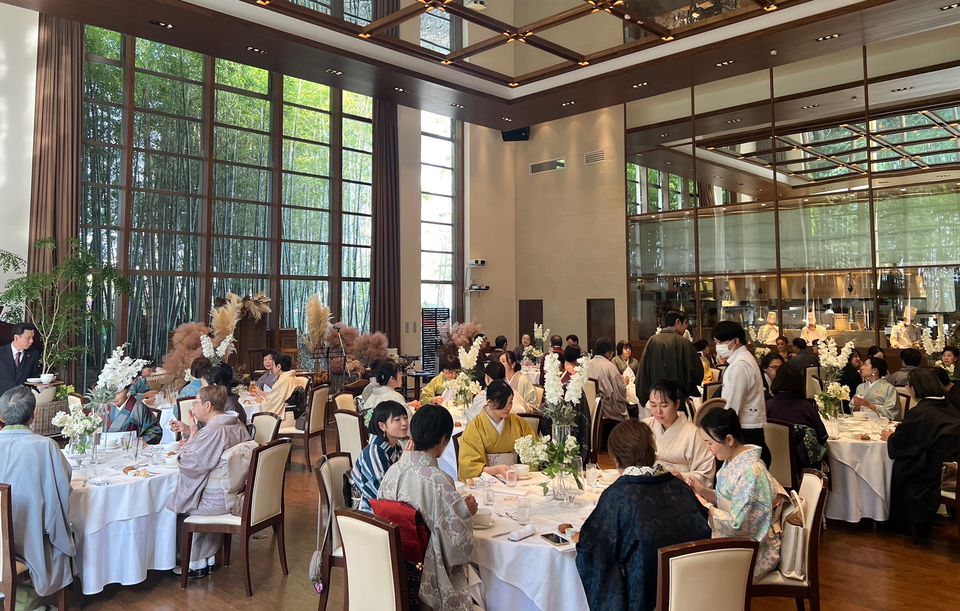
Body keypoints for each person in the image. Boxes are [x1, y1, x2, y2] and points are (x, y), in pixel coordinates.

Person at [576, 420, 710, 611]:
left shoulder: (618, 496)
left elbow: (593, 549)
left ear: (616, 459)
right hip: (696, 594)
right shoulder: (680, 487)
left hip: (647, 600)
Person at [378, 405, 478, 611]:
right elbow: (458, 544)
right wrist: (465, 511)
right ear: (443, 440)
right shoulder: (438, 480)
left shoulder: (393, 471)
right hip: (425, 573)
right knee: (480, 585)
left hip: (392, 565)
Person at [692, 408, 788, 579]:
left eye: (710, 443)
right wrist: (702, 491)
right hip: (739, 542)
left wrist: (707, 508)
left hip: (753, 552)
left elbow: (738, 525)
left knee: (691, 564)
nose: (708, 449)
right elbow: (728, 499)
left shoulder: (752, 472)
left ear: (729, 440)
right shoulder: (733, 460)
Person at [168, 384, 254, 577]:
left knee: (171, 506)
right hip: (234, 492)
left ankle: (191, 563)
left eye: (196, 402)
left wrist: (192, 433)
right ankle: (207, 559)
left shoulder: (214, 430)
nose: (193, 407)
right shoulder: (235, 423)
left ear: (208, 406)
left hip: (215, 500)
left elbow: (189, 462)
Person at [0, 387, 75, 608]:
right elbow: (62, 488)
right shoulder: (46, 447)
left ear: (1, 416)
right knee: (69, 532)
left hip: (0, 540)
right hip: (30, 540)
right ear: (34, 414)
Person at [882, 368, 960, 541]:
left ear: (917, 387)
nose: (907, 388)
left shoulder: (922, 412)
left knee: (900, 466)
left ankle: (902, 524)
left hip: (931, 474)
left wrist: (890, 437)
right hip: (950, 467)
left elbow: (902, 443)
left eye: (909, 385)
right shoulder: (948, 405)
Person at [713, 321, 770, 466]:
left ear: (736, 341)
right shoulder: (744, 359)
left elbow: (731, 408)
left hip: (745, 431)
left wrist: (719, 434)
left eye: (720, 342)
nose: (717, 346)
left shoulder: (739, 366)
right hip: (750, 429)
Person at [641, 380, 715, 486]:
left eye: (664, 405)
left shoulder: (693, 433)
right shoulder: (646, 426)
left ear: (677, 404)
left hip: (679, 487)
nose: (658, 411)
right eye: (653, 405)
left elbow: (705, 473)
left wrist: (682, 477)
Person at [457, 379, 534, 480]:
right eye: (503, 404)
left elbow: (534, 451)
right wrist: (496, 470)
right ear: (489, 402)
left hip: (516, 478)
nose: (508, 407)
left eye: (510, 402)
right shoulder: (474, 428)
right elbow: (469, 466)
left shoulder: (519, 423)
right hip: (487, 481)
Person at [765, 364, 828, 467]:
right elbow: (823, 437)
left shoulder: (767, 406)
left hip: (773, 464)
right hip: (805, 467)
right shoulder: (807, 408)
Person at [351, 400, 409, 512]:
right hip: (370, 512)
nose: (404, 423)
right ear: (382, 426)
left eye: (405, 418)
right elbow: (383, 492)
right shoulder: (374, 452)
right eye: (397, 420)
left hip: (388, 503)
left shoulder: (396, 445)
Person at [637, 312, 703, 407]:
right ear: (678, 322)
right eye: (685, 324)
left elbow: (643, 371)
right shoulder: (683, 343)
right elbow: (696, 373)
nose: (686, 328)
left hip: (655, 397)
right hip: (677, 399)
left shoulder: (652, 341)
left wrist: (644, 396)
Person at [587, 337, 631, 421]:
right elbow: (620, 389)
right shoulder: (610, 366)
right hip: (606, 409)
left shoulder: (587, 364)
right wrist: (625, 383)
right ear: (608, 352)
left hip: (590, 406)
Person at [0, 322, 42, 396]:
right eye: (28, 338)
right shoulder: (1, 352)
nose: (31, 341)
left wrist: (40, 385)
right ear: (16, 337)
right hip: (2, 398)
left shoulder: (34, 354)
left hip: (23, 398)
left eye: (32, 337)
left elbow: (34, 376)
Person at [852, 356, 899, 420]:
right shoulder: (860, 387)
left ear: (874, 370)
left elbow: (891, 412)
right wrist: (857, 406)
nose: (861, 368)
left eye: (865, 365)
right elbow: (853, 408)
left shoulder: (889, 388)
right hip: (861, 420)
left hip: (880, 422)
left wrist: (868, 404)